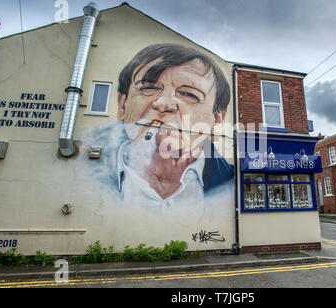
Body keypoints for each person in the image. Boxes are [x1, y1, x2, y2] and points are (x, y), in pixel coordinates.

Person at [84, 43, 233, 206]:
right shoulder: (83, 171)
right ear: (122, 106)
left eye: (188, 94)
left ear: (216, 122)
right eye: (148, 88)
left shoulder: (232, 183)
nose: (163, 103)